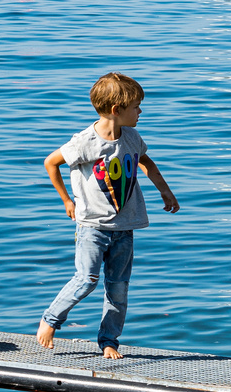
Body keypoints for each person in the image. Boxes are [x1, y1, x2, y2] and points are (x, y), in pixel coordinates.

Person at [36, 72, 179, 358]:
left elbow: (145, 162)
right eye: (136, 106)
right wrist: (66, 200)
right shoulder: (85, 142)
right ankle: (50, 319)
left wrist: (165, 191)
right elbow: (51, 162)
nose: (140, 112)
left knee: (118, 289)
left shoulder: (132, 137)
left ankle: (109, 341)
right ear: (117, 110)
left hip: (125, 227)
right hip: (92, 226)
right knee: (86, 279)